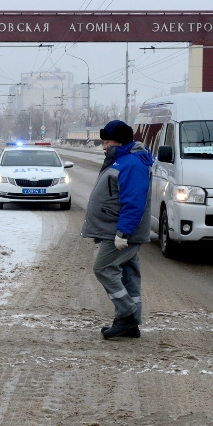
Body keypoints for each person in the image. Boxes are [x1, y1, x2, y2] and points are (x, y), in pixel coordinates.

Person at [81, 120, 154, 339]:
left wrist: (123, 232)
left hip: (122, 233)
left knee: (103, 268)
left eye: (107, 142)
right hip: (117, 230)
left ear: (119, 142)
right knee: (129, 275)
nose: (104, 147)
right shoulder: (122, 160)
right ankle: (131, 326)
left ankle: (128, 314)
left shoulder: (131, 164)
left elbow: (134, 202)